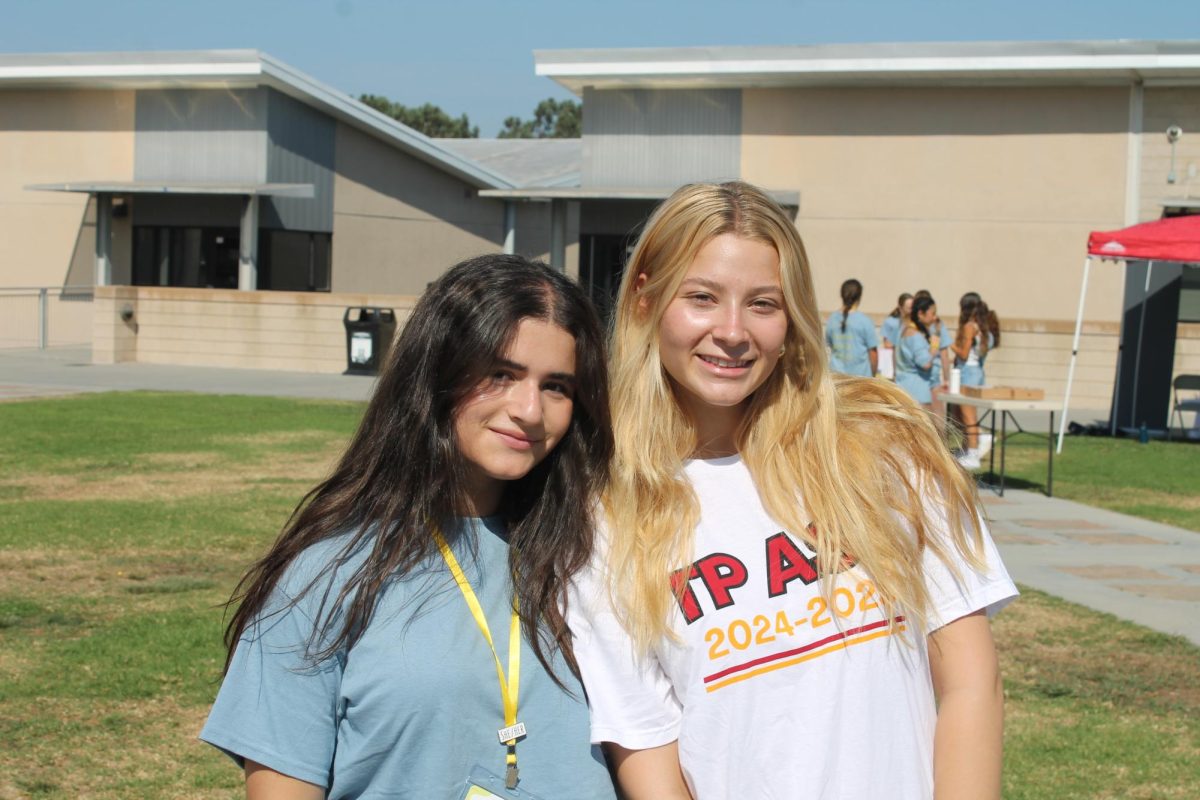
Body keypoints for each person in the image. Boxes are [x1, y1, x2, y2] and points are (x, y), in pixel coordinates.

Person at [567, 182, 1016, 800]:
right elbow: (647, 752)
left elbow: (972, 682)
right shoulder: (603, 510)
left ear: (793, 315)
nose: (732, 331)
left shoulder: (885, 446)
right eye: (701, 297)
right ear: (645, 301)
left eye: (762, 303)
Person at [201, 255, 618, 800]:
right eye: (500, 374)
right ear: (438, 372)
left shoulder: (601, 552)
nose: (529, 409)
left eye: (557, 386)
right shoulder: (326, 573)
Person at [950, 292, 994, 469]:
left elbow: (964, 353)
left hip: (967, 373)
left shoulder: (970, 326)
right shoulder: (984, 328)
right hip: (975, 372)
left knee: (968, 416)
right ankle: (970, 445)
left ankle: (974, 452)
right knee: (957, 413)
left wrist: (948, 343)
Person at [824, 278, 879, 377]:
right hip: (860, 379)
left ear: (841, 295)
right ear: (859, 297)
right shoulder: (865, 321)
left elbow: (828, 348)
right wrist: (873, 375)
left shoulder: (832, 319)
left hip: (837, 377)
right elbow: (873, 353)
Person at [895, 295, 940, 409]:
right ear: (920, 313)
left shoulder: (905, 329)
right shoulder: (914, 335)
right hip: (917, 393)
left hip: (905, 389)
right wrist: (934, 347)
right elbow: (925, 363)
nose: (935, 317)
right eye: (932, 313)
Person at [877, 292, 912, 380]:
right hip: (893, 365)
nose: (912, 311)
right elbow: (887, 344)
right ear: (900, 308)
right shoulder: (891, 322)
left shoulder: (914, 324)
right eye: (909, 308)